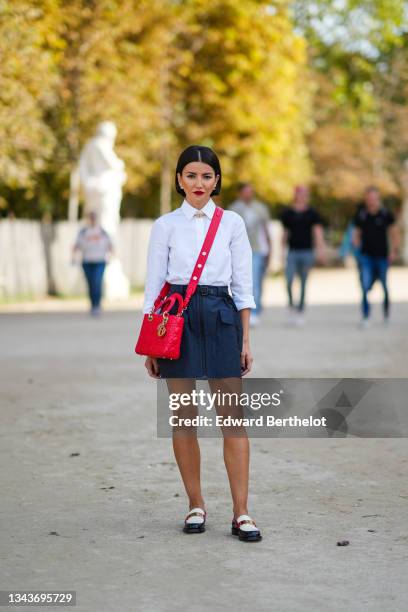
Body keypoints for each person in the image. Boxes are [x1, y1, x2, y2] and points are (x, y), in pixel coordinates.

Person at [142, 145, 262, 542]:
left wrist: (245, 338)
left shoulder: (232, 223)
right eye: (191, 175)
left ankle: (241, 513)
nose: (199, 183)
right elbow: (154, 284)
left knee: (233, 420)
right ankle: (195, 504)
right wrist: (150, 343)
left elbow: (243, 285)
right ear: (179, 179)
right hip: (176, 318)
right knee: (183, 418)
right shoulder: (165, 225)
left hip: (222, 315)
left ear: (217, 181)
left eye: (207, 176)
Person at [352, 186, 399, 328]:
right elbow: (356, 233)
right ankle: (366, 315)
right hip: (366, 256)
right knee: (365, 285)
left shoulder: (385, 214)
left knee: (384, 285)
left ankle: (386, 313)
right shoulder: (361, 215)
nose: (371, 200)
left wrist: (393, 251)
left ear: (378, 198)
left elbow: (394, 233)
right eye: (369, 198)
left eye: (374, 197)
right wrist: (356, 244)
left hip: (382, 256)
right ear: (366, 199)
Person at [280, 185, 326, 326]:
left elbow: (317, 233)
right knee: (288, 281)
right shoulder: (288, 213)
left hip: (307, 252)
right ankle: (291, 306)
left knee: (304, 282)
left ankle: (300, 310)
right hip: (292, 252)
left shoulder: (312, 213)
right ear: (296, 195)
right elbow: (285, 234)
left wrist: (320, 250)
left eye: (305, 194)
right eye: (300, 193)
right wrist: (282, 252)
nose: (302, 196)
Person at [229, 183, 271, 327]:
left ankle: (255, 312)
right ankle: (241, 311)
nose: (249, 195)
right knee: (240, 282)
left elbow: (266, 230)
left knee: (256, 281)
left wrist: (269, 249)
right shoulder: (234, 209)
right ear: (240, 193)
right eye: (246, 192)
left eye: (251, 192)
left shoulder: (260, 209)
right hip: (239, 250)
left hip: (257, 250)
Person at [73, 211, 112, 316]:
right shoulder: (83, 232)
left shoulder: (102, 232)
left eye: (94, 217)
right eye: (91, 217)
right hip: (87, 261)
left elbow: (110, 245)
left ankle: (97, 305)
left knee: (97, 282)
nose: (92, 219)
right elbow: (76, 245)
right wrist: (73, 257)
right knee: (90, 283)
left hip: (99, 261)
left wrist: (110, 257)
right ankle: (92, 304)